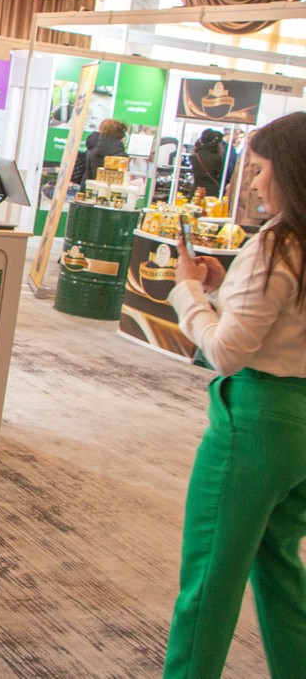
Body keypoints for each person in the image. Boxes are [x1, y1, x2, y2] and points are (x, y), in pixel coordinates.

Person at [163, 111, 306, 677]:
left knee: (209, 581)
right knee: (278, 567)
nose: (254, 182)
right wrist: (227, 291)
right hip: (298, 429)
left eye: (262, 168)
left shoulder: (275, 247)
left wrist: (189, 292)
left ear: (290, 172)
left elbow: (226, 353)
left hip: (255, 421)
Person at [190, 128, 236, 199]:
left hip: (196, 189)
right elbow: (221, 175)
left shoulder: (194, 156)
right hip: (212, 191)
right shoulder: (217, 158)